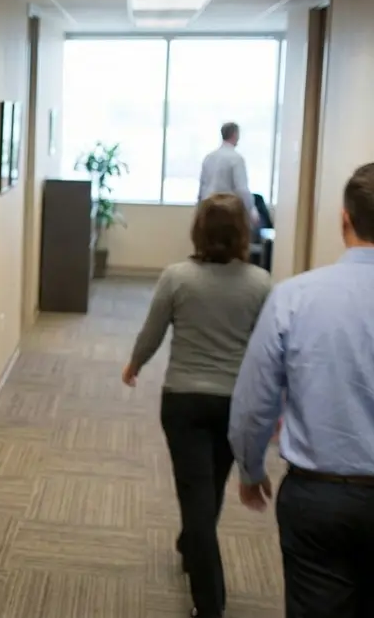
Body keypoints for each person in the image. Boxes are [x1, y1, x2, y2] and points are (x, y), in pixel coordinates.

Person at [229, 161, 374, 617]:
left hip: (316, 498)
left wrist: (249, 466)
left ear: (344, 219)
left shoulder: (295, 297)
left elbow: (255, 399)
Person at [122, 192, 273, 618]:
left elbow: (153, 332)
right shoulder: (261, 283)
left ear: (199, 230)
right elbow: (267, 350)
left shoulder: (177, 277)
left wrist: (135, 363)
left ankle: (210, 604)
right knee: (209, 487)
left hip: (183, 403)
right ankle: (193, 545)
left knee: (195, 492)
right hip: (235, 404)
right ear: (243, 233)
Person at [198, 122, 257, 228]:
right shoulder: (236, 158)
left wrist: (199, 209)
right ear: (235, 135)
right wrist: (251, 209)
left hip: (208, 209)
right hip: (227, 210)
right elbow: (241, 189)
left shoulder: (209, 157)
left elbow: (202, 186)